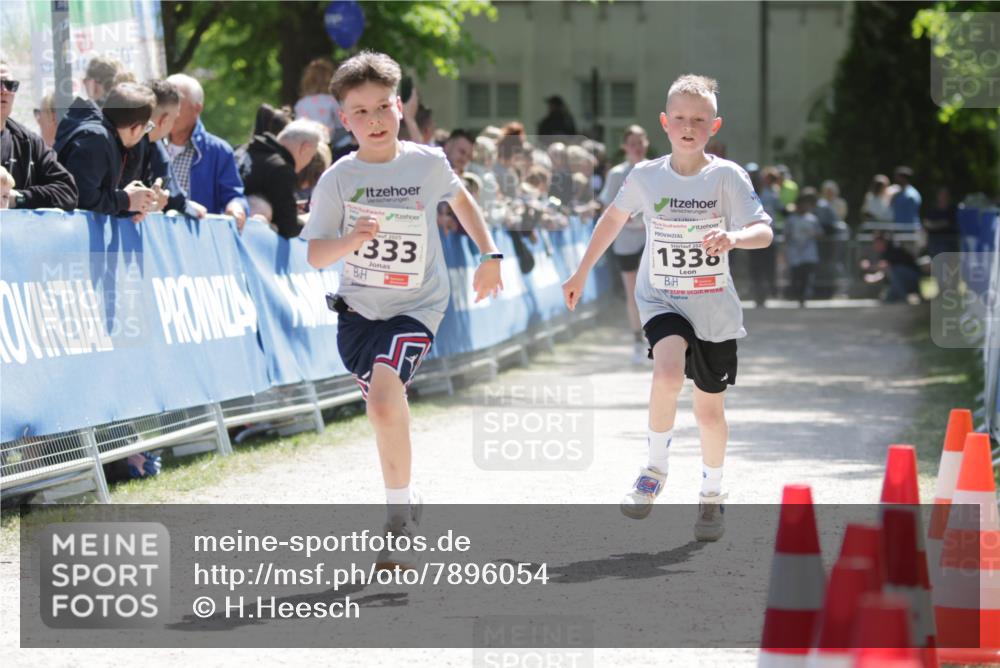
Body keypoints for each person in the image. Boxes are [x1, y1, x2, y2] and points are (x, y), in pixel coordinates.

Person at [300, 52, 503, 569]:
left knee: (387, 403)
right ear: (344, 120)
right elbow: (316, 254)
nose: (374, 120)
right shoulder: (338, 179)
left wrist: (490, 255)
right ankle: (406, 497)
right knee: (382, 410)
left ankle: (396, 522)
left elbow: (462, 202)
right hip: (358, 316)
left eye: (383, 107)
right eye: (360, 111)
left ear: (398, 107)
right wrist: (352, 240)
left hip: (418, 306)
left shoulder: (427, 163)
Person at [562, 74, 773, 541]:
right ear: (664, 122)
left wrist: (734, 236)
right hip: (662, 298)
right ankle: (654, 470)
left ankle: (712, 495)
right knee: (667, 374)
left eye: (699, 119)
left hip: (713, 310)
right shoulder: (646, 176)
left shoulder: (727, 177)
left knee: (709, 413)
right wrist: (580, 272)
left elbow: (764, 231)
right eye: (679, 118)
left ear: (714, 125)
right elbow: (612, 219)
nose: (688, 127)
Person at [54, 82, 156, 217]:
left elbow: (98, 201)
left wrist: (134, 206)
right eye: (147, 127)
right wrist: (126, 200)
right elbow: (82, 198)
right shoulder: (97, 140)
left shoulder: (102, 137)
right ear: (136, 129)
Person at [164, 73, 247, 230]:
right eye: (164, 101)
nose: (168, 109)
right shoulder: (149, 143)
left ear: (197, 109)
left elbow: (233, 195)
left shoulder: (219, 151)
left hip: (197, 238)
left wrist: (235, 207)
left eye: (176, 101)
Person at [599, 125, 650, 363]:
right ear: (624, 147)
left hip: (651, 239)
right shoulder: (617, 174)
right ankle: (637, 339)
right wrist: (627, 219)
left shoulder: (656, 169)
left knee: (653, 290)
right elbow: (609, 207)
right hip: (625, 241)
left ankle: (656, 338)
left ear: (646, 144)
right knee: (632, 291)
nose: (636, 148)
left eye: (640, 143)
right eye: (632, 144)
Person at [0, 63, 77, 210]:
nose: (4, 90)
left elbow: (68, 192)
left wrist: (17, 198)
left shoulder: (28, 142)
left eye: (10, 85)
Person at [240, 119, 324, 238]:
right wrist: (308, 220)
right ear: (305, 148)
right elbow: (288, 227)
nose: (309, 162)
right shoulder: (281, 169)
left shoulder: (241, 150)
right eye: (311, 156)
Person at [140, 79, 206, 219]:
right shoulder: (143, 144)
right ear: (164, 121)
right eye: (174, 119)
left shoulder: (154, 145)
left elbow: (171, 195)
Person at [784, 188, 823, 307]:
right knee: (797, 276)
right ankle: (797, 295)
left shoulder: (812, 219)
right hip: (795, 253)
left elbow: (820, 233)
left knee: (806, 276)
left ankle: (803, 297)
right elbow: (787, 235)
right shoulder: (791, 219)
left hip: (809, 253)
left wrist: (814, 234)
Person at [861, 232, 922, 303]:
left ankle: (903, 298)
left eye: (876, 243)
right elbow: (884, 272)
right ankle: (899, 297)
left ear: (882, 242)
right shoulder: (883, 253)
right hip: (900, 281)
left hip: (912, 277)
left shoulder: (892, 249)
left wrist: (869, 267)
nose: (875, 245)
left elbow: (886, 267)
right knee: (887, 299)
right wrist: (873, 278)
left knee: (895, 271)